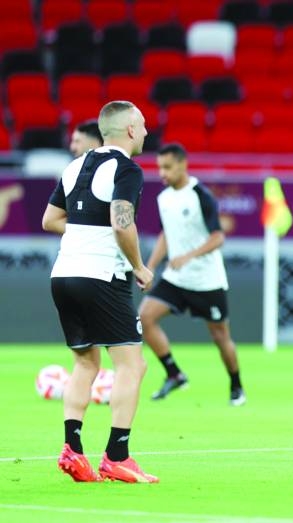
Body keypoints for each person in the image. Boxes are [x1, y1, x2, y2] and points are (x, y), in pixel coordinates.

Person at [42, 100, 159, 483]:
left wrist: (82, 234)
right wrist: (140, 266)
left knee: (85, 363)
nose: (145, 131)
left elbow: (50, 219)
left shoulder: (75, 165)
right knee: (132, 365)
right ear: (128, 130)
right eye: (141, 125)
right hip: (101, 275)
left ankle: (73, 449)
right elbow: (121, 220)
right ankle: (118, 456)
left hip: (64, 273)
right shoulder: (127, 168)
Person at [139, 143, 245, 406]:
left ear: (182, 165)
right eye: (159, 167)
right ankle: (174, 373)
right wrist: (148, 266)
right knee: (145, 317)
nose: (162, 173)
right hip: (176, 278)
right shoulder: (164, 198)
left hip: (206, 280)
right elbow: (167, 234)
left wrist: (188, 256)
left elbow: (218, 237)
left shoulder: (201, 195)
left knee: (220, 336)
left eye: (167, 167)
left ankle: (236, 385)